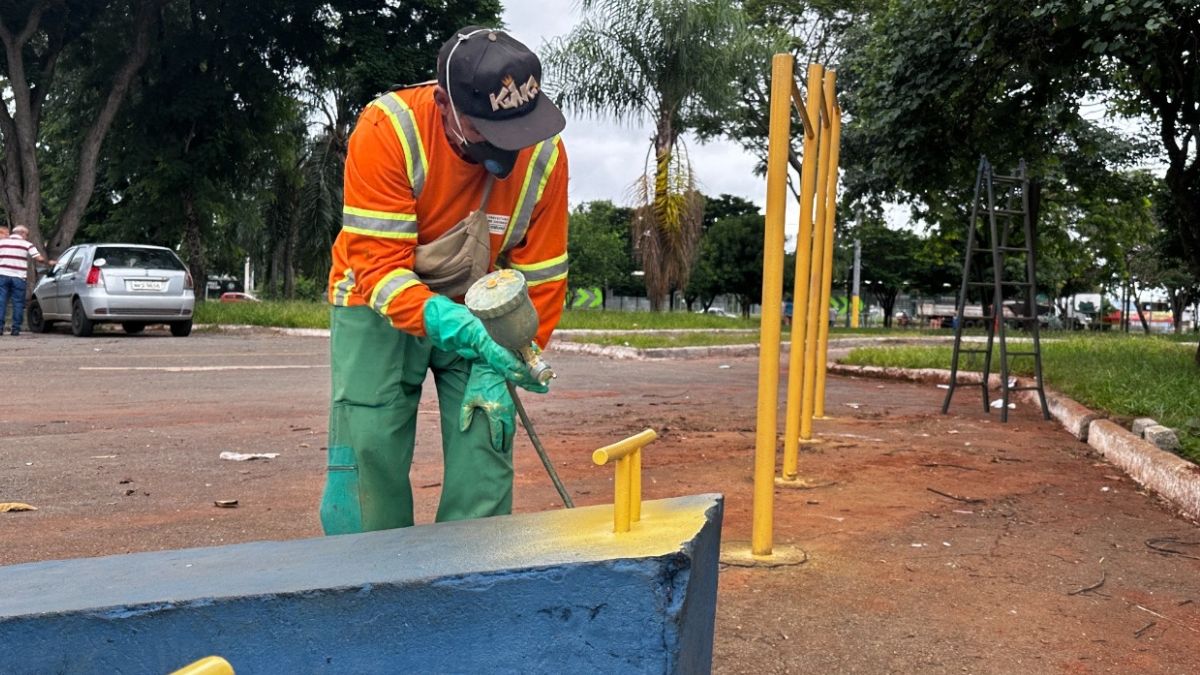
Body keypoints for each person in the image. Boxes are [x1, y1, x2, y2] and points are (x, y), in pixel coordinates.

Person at [320, 26, 570, 535]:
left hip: (482, 308)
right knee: (370, 443)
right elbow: (380, 270)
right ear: (444, 104)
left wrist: (509, 354)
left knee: (486, 435)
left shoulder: (545, 158)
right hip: (376, 300)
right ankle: (367, 584)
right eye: (486, 129)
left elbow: (543, 277)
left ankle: (469, 583)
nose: (510, 146)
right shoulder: (389, 129)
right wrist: (442, 318)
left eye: (519, 128)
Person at [0, 225, 52, 336]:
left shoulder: (2, 243)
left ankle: (0, 328)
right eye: (27, 235)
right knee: (18, 303)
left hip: (2, 276)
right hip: (19, 277)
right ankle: (15, 329)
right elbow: (39, 258)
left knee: (1, 302)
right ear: (22, 233)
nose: (27, 237)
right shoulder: (27, 245)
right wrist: (49, 262)